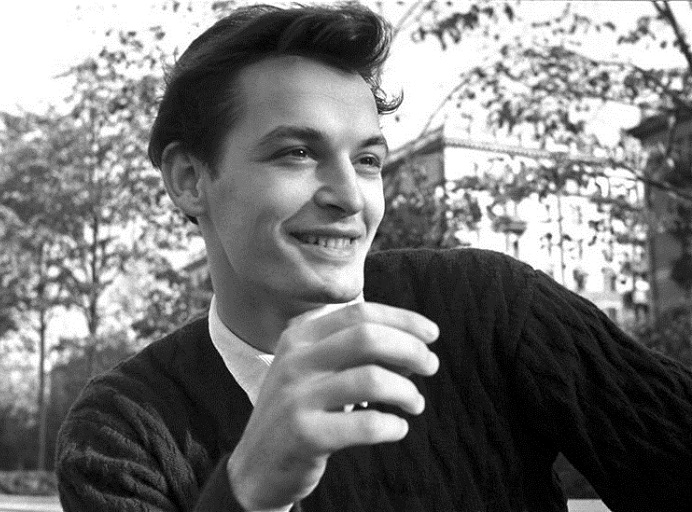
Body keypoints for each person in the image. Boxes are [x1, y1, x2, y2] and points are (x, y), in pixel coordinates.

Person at [55, 3, 692, 512]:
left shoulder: (493, 309)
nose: (351, 196)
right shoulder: (122, 431)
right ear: (190, 179)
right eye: (296, 153)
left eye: (367, 160)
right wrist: (247, 491)